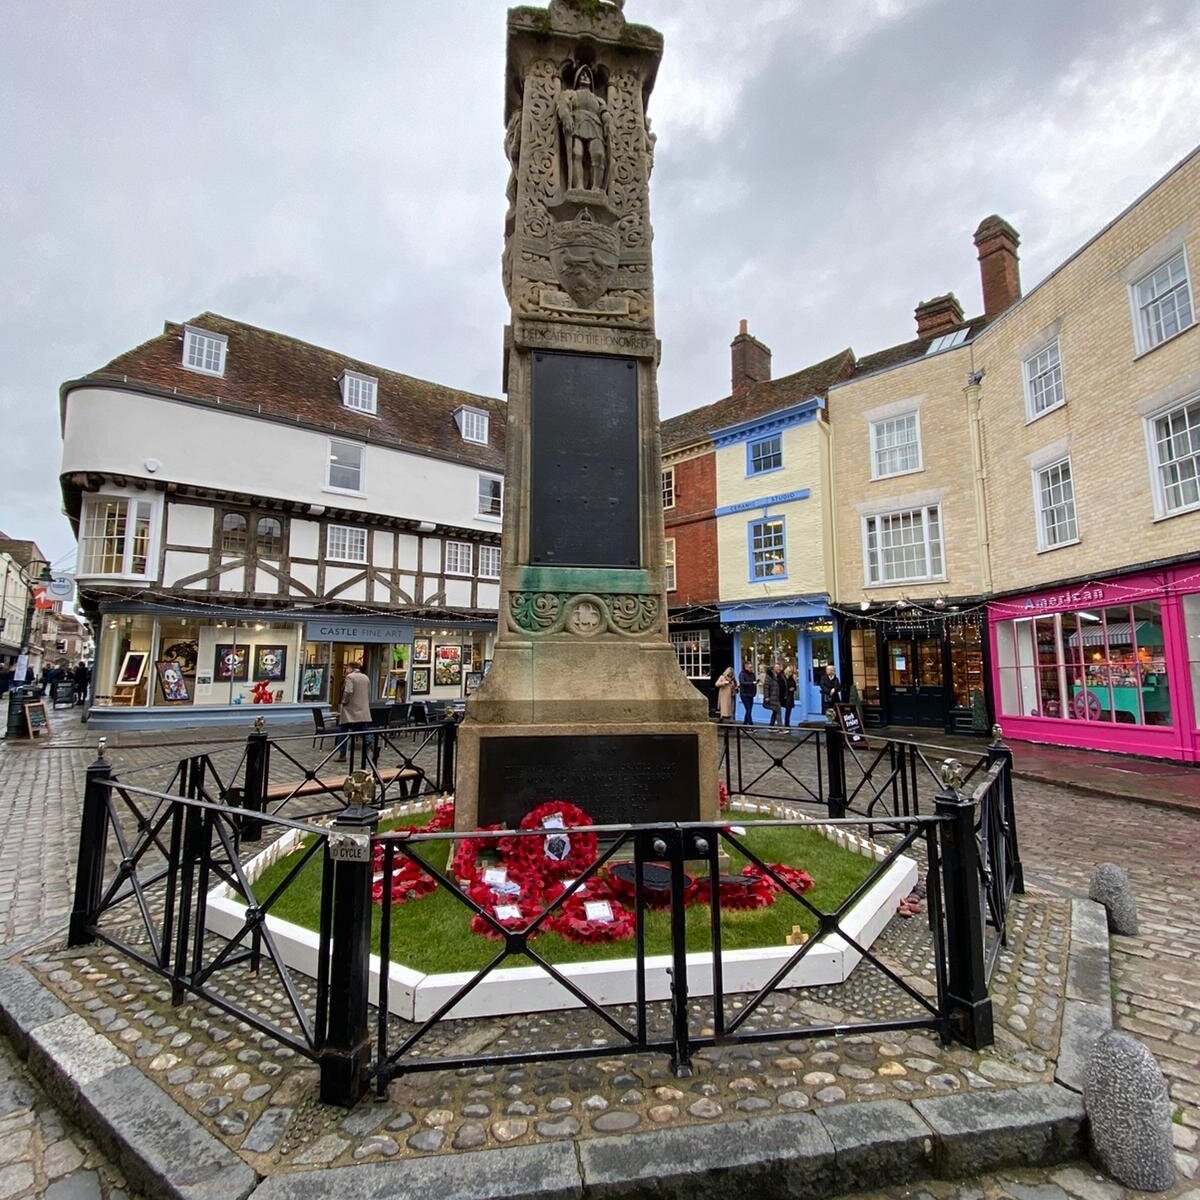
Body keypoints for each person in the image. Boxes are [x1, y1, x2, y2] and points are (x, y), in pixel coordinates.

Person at [336, 661, 373, 763]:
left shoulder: (350, 677)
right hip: (363, 709)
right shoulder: (366, 677)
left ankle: (342, 754)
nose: (346, 670)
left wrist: (344, 701)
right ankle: (371, 743)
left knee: (343, 730)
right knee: (363, 728)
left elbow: (348, 691)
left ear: (351, 668)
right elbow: (368, 693)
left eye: (347, 667)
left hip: (350, 709)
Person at [763, 661, 783, 727]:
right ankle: (781, 728)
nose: (778, 669)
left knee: (775, 711)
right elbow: (766, 687)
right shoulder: (769, 676)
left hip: (777, 697)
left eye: (779, 668)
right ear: (773, 668)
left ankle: (771, 726)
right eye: (777, 667)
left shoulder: (779, 675)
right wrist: (766, 697)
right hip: (771, 697)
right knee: (778, 710)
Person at [737, 660, 758, 725]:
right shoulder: (742, 674)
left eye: (751, 667)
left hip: (751, 694)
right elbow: (742, 682)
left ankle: (745, 723)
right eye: (750, 667)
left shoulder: (752, 674)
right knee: (748, 709)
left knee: (749, 710)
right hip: (744, 694)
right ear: (746, 667)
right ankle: (751, 724)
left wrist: (755, 683)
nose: (751, 669)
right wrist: (752, 683)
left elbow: (754, 682)